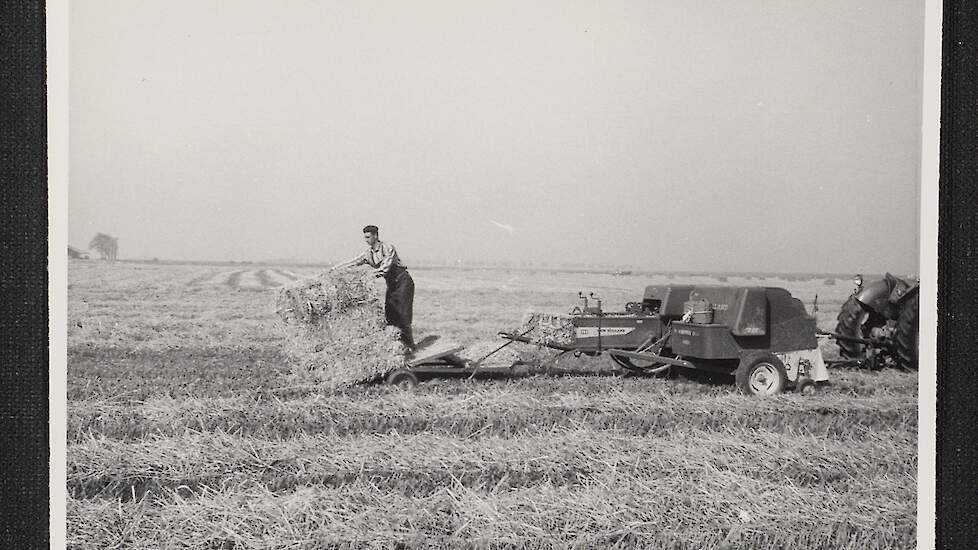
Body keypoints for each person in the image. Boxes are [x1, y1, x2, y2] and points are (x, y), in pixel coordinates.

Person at [330, 225, 417, 351]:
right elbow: (353, 262)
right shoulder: (368, 254)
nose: (366, 240)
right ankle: (398, 347)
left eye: (368, 237)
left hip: (403, 282)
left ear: (375, 236)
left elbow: (385, 268)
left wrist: (368, 275)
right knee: (390, 314)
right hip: (392, 284)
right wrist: (334, 269)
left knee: (403, 315)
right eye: (365, 238)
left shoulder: (388, 248)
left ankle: (410, 346)